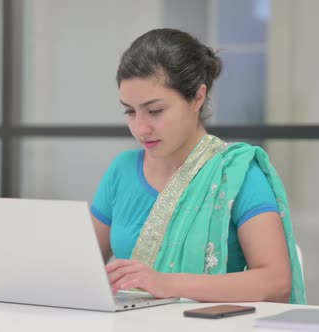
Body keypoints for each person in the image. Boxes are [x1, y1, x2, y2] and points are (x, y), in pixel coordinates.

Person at [90, 28, 305, 304]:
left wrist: (165, 283)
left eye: (155, 111)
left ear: (197, 98)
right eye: (130, 111)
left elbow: (275, 282)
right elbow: (82, 268)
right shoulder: (122, 170)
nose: (140, 128)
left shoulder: (235, 174)